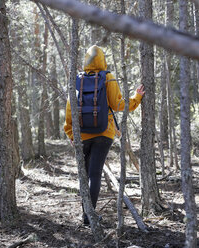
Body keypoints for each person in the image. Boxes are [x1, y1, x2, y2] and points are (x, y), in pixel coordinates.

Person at [64, 45, 145, 225]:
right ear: (102, 60)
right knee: (95, 174)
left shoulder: (77, 80)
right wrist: (137, 98)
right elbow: (118, 105)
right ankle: (89, 217)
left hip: (82, 134)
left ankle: (86, 214)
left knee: (84, 176)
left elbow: (70, 109)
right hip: (104, 133)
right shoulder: (107, 77)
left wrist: (71, 134)